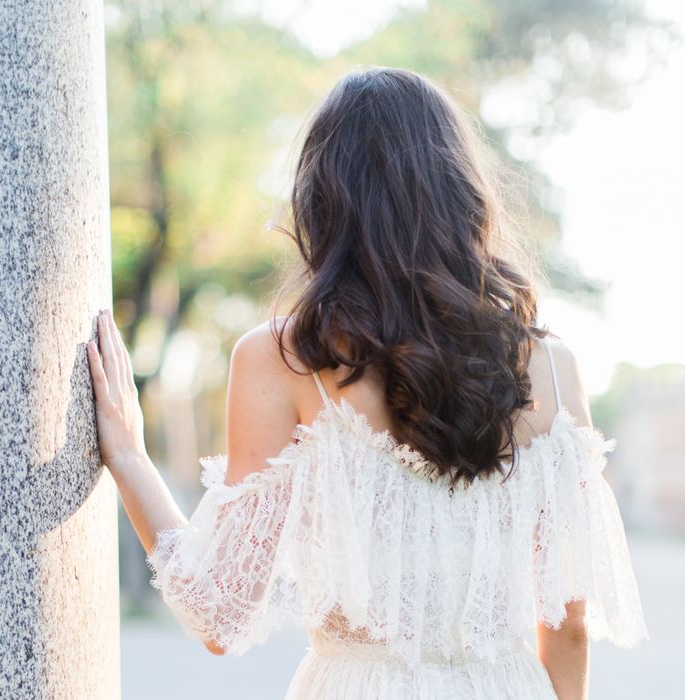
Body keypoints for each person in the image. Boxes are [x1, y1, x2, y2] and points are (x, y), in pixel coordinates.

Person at [86, 67, 649, 699]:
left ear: (323, 199)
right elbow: (566, 623)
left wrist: (131, 459)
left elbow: (222, 613)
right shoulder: (551, 365)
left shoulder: (284, 357)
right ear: (461, 191)